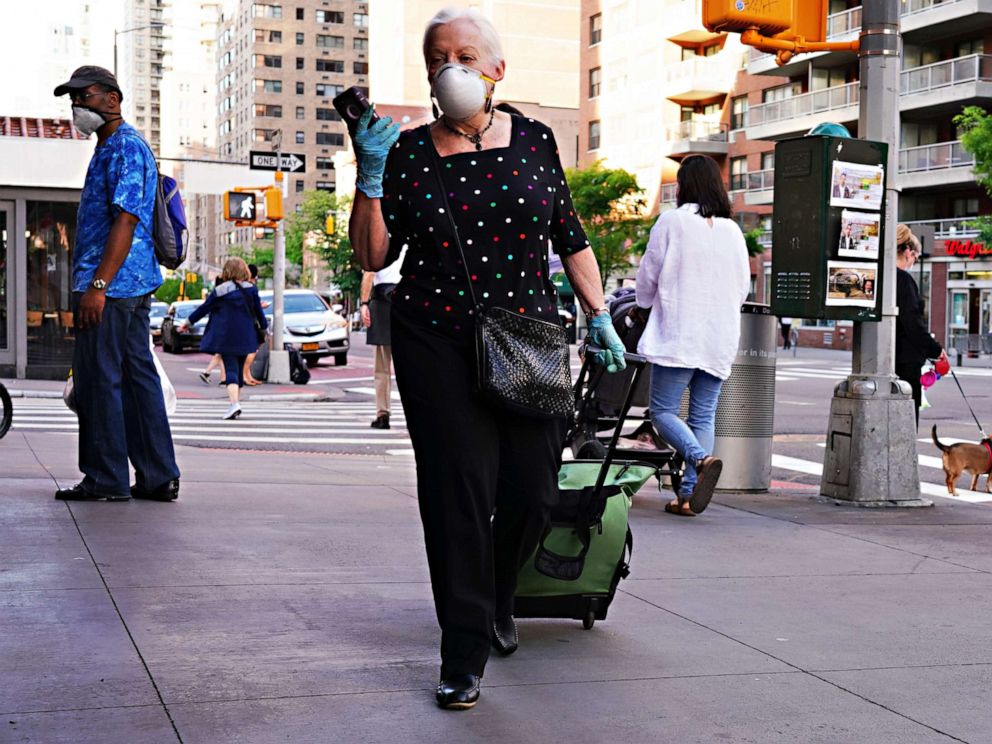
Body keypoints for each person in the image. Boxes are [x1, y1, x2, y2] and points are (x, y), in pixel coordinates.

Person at [347, 7, 626, 711]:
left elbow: (570, 233)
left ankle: (501, 592)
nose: (453, 66)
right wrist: (369, 174)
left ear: (497, 69)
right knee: (458, 494)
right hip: (434, 336)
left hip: (525, 333)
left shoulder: (534, 140)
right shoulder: (405, 153)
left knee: (532, 491)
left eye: (467, 54)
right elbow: (374, 255)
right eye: (439, 56)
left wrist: (599, 314)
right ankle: (463, 649)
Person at [52, 66, 180, 503]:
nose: (77, 107)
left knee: (98, 378)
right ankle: (158, 474)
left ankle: (105, 478)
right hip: (128, 285)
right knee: (136, 375)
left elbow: (126, 218)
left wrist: (98, 285)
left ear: (112, 99)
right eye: (72, 100)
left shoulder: (125, 147)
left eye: (84, 97)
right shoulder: (111, 147)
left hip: (114, 286)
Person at [634, 155, 750, 517]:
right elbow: (743, 286)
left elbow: (648, 276)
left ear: (684, 184)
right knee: (703, 417)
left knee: (663, 412)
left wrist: (643, 303)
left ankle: (700, 460)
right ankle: (686, 498)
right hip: (719, 337)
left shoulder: (672, 222)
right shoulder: (733, 230)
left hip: (679, 335)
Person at [182, 257, 267, 420]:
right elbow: (259, 313)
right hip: (247, 335)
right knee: (239, 369)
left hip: (227, 336)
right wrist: (264, 329)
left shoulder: (220, 291)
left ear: (227, 271)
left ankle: (234, 404)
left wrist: (188, 322)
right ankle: (234, 403)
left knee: (231, 370)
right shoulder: (252, 289)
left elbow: (203, 309)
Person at [894, 224, 945, 428]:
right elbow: (912, 322)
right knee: (906, 420)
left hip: (887, 358)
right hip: (906, 361)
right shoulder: (904, 280)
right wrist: (936, 350)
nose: (914, 261)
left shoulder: (883, 277)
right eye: (915, 257)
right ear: (908, 252)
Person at [359, 246, 407, 429]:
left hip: (382, 300)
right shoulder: (410, 239)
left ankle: (383, 414)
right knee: (412, 364)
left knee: (382, 367)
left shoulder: (378, 240)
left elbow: (369, 274)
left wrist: (364, 303)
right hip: (406, 299)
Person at [199, 274, 226, 385]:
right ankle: (209, 373)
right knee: (221, 353)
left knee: (222, 353)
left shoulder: (216, 294)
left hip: (217, 327)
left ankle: (222, 378)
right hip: (223, 328)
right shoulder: (223, 295)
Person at [242, 263, 265, 386]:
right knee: (252, 349)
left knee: (250, 349)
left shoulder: (240, 287)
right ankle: (245, 375)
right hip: (251, 322)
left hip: (245, 322)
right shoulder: (251, 288)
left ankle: (248, 375)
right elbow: (254, 307)